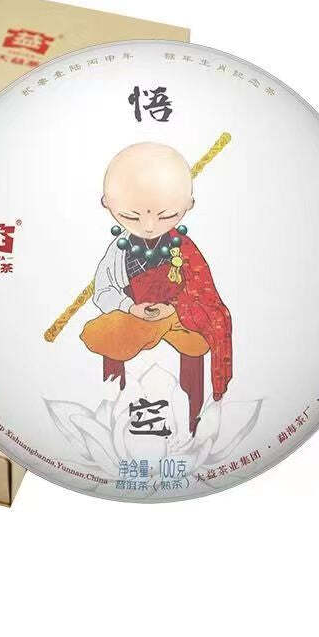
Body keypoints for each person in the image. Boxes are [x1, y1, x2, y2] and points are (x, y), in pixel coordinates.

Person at [80, 142, 232, 433]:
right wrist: (129, 307)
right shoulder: (119, 249)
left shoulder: (184, 248)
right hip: (134, 315)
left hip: (178, 318)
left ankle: (192, 418)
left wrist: (173, 309)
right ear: (107, 204)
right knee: (105, 334)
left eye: (164, 216)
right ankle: (113, 405)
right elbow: (104, 290)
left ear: (188, 205)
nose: (149, 226)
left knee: (197, 343)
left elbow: (204, 297)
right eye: (131, 216)